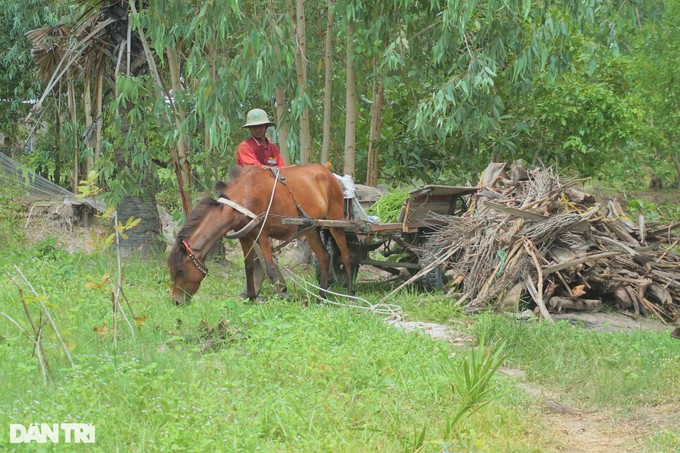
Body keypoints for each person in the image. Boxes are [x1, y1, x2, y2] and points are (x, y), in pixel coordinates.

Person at [236, 108, 285, 301]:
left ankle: (249, 294)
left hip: (269, 200)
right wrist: (273, 171)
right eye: (254, 127)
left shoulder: (272, 148)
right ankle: (281, 291)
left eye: (261, 126)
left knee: (260, 249)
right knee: (259, 247)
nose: (258, 130)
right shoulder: (245, 147)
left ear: (266, 127)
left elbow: (281, 169)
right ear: (250, 129)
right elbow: (255, 170)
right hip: (249, 201)